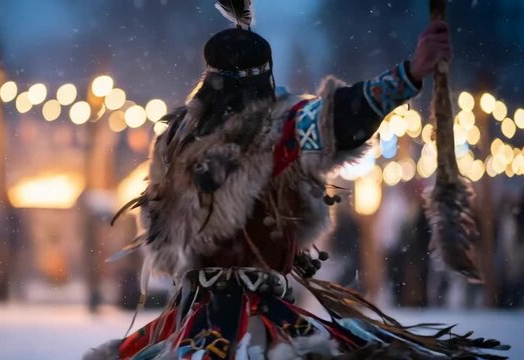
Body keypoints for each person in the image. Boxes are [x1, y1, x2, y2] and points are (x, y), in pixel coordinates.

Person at [85, 1, 508, 358]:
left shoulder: (174, 137)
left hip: (193, 318)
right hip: (254, 322)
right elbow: (342, 115)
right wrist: (411, 72)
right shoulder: (277, 129)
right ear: (264, 76)